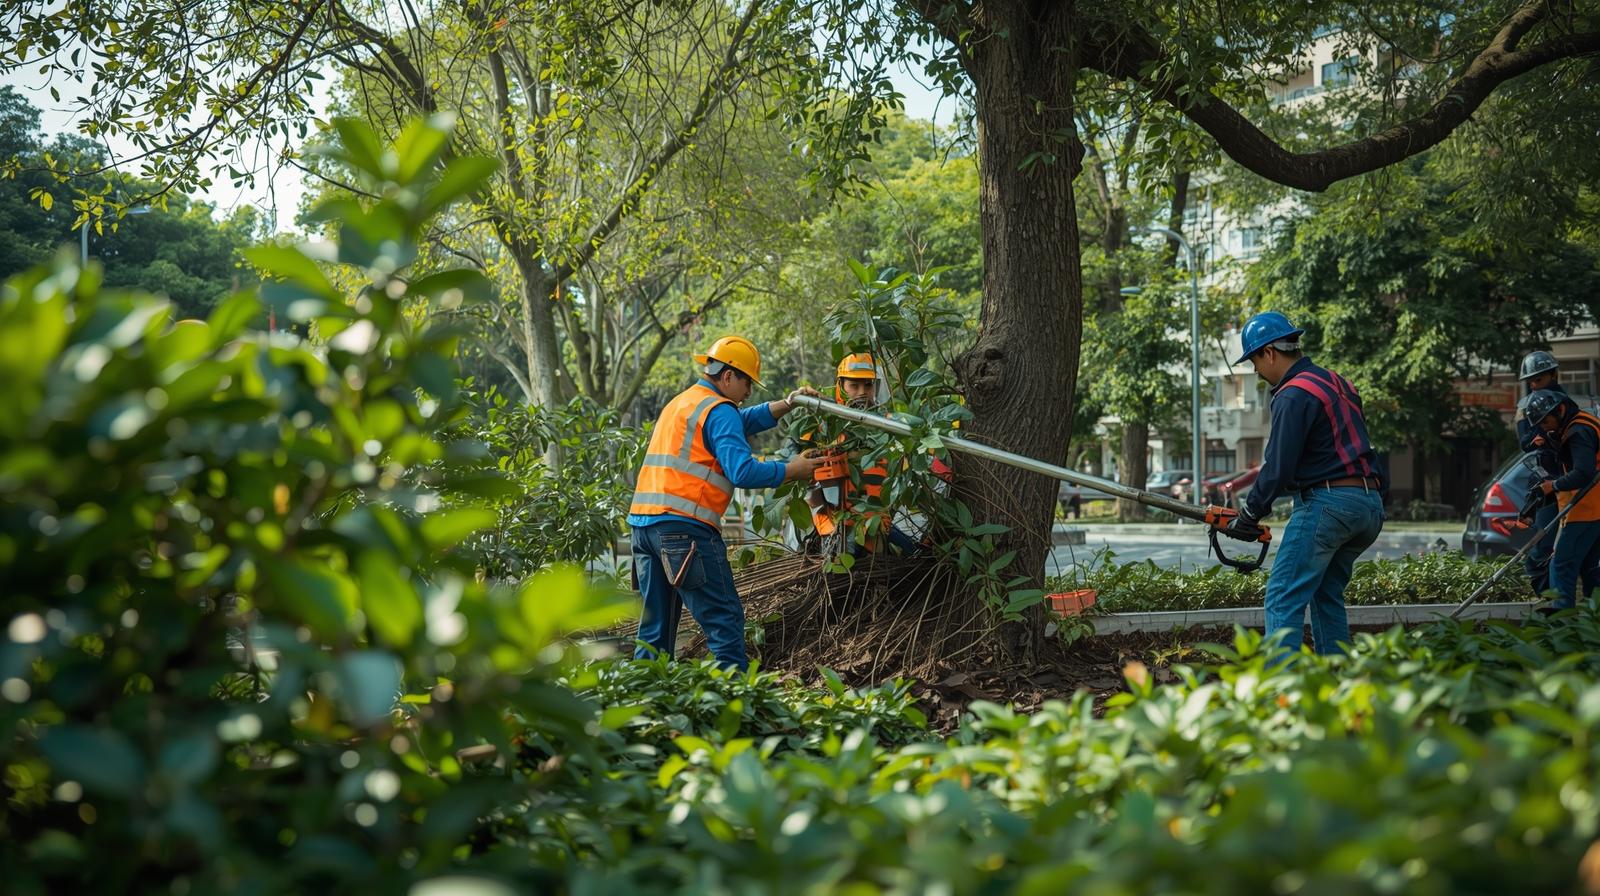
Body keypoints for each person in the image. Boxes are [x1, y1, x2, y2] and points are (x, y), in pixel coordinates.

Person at [628, 335, 824, 670]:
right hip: (684, 530)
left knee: (655, 630)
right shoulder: (720, 411)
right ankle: (733, 707)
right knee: (724, 622)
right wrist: (795, 469)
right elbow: (743, 471)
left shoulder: (686, 402)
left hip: (644, 528)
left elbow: (740, 422)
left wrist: (788, 403)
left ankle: (644, 707)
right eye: (747, 382)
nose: (749, 392)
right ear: (729, 376)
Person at [1224, 312, 1386, 656]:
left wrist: (1249, 513)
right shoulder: (1338, 382)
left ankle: (1281, 697)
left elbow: (1280, 465)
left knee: (1282, 594)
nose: (1255, 370)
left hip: (1329, 504)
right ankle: (1337, 684)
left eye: (1253, 360)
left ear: (1269, 352)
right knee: (1326, 594)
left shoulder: (1292, 393)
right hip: (1368, 505)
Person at [802, 353, 921, 557]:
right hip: (836, 525)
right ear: (840, 385)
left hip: (876, 522)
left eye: (868, 386)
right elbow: (802, 480)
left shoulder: (886, 426)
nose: (862, 393)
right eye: (854, 386)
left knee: (915, 556)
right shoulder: (822, 427)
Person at [1524, 388, 1600, 612]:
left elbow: (1583, 473)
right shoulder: (1580, 423)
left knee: (1561, 564)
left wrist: (1553, 485)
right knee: (1590, 567)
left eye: (1545, 422)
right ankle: (1593, 620)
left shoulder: (1578, 432)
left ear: (1560, 410)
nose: (1544, 427)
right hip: (1592, 507)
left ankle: (1562, 622)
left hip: (1587, 507)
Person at [1515, 351, 1566, 595]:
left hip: (1574, 483)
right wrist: (1534, 440)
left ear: (1554, 374)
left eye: (1540, 380)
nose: (1534, 386)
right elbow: (1524, 443)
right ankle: (1545, 600)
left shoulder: (1568, 406)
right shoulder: (1525, 408)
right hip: (1547, 484)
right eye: (1531, 381)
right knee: (1540, 550)